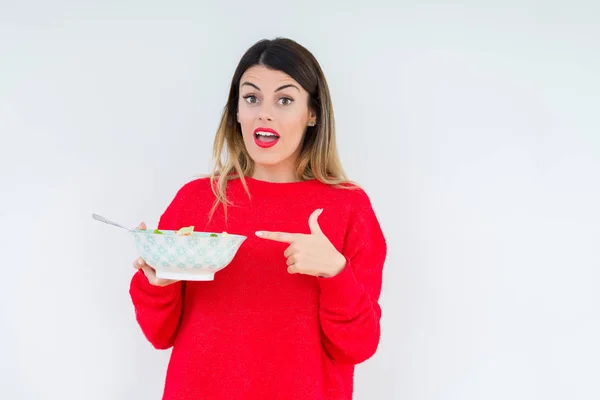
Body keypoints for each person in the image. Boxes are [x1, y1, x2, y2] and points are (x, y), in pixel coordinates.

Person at [129, 37, 388, 400]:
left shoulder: (349, 207)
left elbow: (358, 347)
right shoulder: (196, 199)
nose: (264, 113)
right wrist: (158, 283)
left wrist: (335, 274)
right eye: (251, 98)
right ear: (236, 111)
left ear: (312, 113)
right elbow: (160, 335)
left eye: (285, 99)